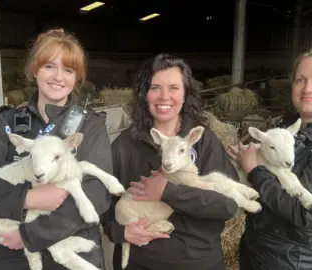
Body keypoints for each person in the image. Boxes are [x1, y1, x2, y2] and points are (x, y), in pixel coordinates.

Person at [0, 28, 113, 270]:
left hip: (72, 250)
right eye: (49, 66)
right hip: (16, 258)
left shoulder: (89, 126)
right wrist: (25, 197)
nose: (58, 77)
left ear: (76, 77)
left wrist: (31, 235)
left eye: (68, 70)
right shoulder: (6, 124)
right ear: (35, 69)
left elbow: (97, 193)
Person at [102, 54, 239, 270]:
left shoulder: (203, 141)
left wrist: (168, 192)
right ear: (144, 95)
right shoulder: (124, 145)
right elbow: (102, 200)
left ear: (185, 95)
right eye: (155, 87)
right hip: (140, 262)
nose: (164, 96)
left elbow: (228, 205)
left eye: (174, 88)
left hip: (198, 262)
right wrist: (120, 231)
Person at [229, 48, 312, 270]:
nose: (308, 88)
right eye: (300, 80)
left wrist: (254, 170)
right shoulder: (290, 128)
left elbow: (307, 215)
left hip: (297, 260)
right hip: (262, 248)